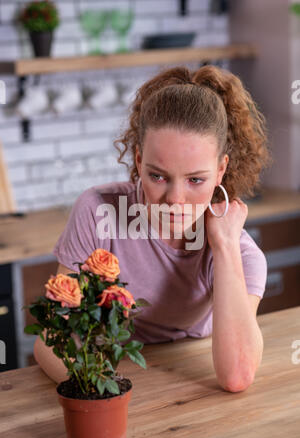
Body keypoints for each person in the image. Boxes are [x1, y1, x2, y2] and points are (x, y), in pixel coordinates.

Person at [34, 65, 273, 392]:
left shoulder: (240, 252)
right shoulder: (98, 211)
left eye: (195, 180)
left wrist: (225, 246)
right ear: (138, 161)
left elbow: (236, 376)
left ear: (220, 171)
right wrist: (101, 387)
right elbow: (51, 336)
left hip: (190, 380)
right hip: (109, 373)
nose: (174, 199)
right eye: (157, 176)